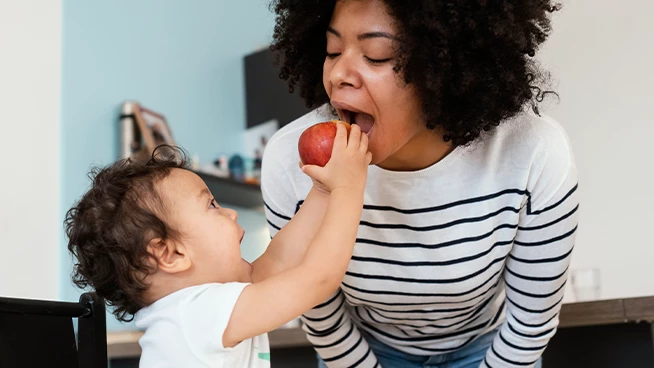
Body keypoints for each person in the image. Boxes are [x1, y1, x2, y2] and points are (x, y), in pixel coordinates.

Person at [261, 0, 578, 367]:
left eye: (376, 55)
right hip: (363, 353)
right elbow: (320, 315)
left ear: (441, 68)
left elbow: (531, 322)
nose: (337, 75)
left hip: (490, 349)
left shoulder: (534, 152)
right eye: (333, 51)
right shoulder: (293, 162)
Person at [65, 127, 371, 368]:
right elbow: (316, 279)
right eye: (212, 205)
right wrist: (349, 188)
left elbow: (279, 260)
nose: (231, 213)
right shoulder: (198, 314)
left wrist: (322, 191)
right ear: (170, 254)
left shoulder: (195, 311)